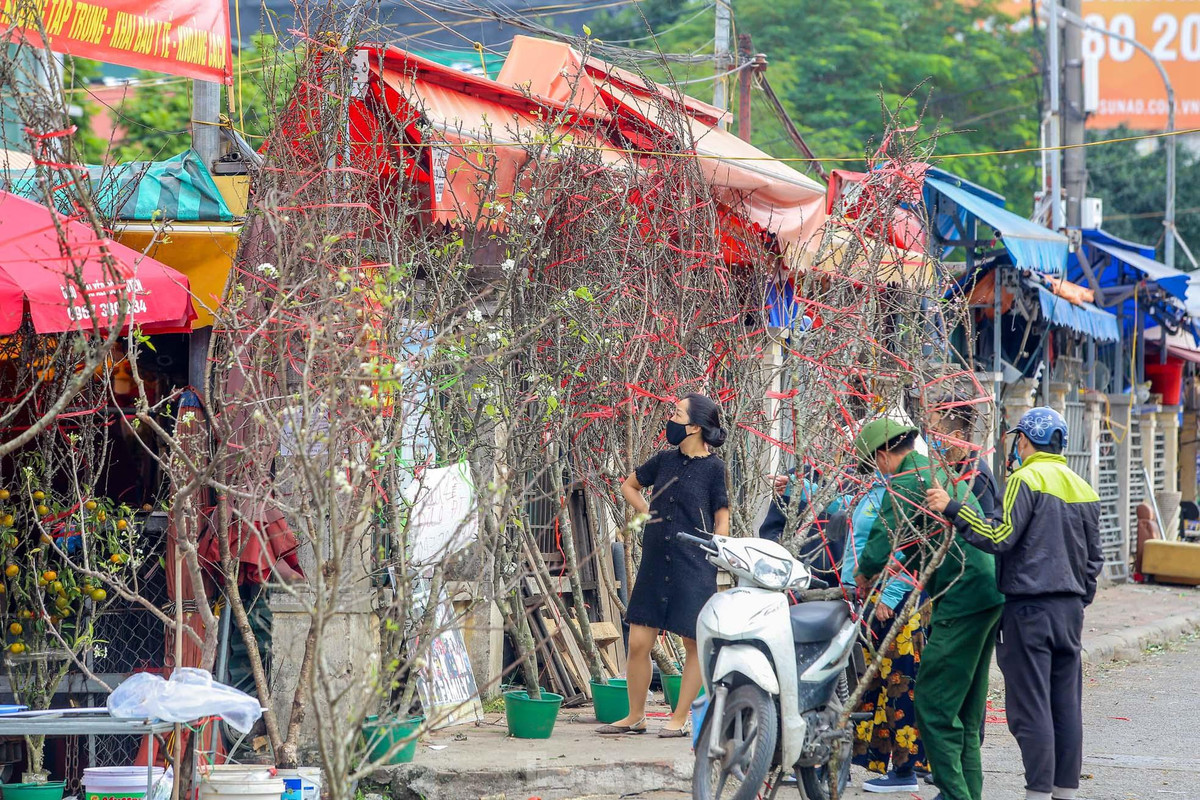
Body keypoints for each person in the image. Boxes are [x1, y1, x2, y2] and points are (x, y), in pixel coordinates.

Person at [925, 407, 1104, 800]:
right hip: (1070, 611)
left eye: (1018, 440)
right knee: (1065, 706)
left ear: (1024, 441)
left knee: (1030, 706)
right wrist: (1078, 597)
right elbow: (1095, 560)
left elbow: (1000, 535)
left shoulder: (1026, 478)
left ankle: (1037, 793)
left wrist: (954, 509)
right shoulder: (1084, 486)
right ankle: (1063, 793)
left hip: (1029, 609)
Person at [853, 417, 1005, 800]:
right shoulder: (937, 473)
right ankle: (968, 793)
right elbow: (913, 542)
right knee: (967, 712)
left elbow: (882, 542)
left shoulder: (906, 482)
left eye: (874, 465)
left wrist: (864, 575)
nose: (877, 474)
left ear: (885, 454)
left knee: (934, 706)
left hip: (962, 595)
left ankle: (955, 795)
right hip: (988, 592)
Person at [597, 393, 730, 737]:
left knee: (692, 643)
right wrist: (649, 515)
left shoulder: (714, 468)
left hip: (695, 562)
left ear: (696, 425)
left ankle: (678, 717)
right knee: (639, 641)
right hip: (656, 561)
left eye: (677, 413)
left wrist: (718, 549)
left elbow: (722, 515)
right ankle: (635, 715)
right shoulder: (664, 461)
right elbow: (629, 485)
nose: (671, 418)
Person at [842, 472, 929, 793]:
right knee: (865, 686)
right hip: (868, 598)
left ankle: (905, 768)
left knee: (899, 685)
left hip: (895, 602)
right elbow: (845, 508)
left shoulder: (905, 489)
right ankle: (844, 764)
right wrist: (800, 487)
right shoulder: (872, 487)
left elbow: (912, 548)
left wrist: (891, 595)